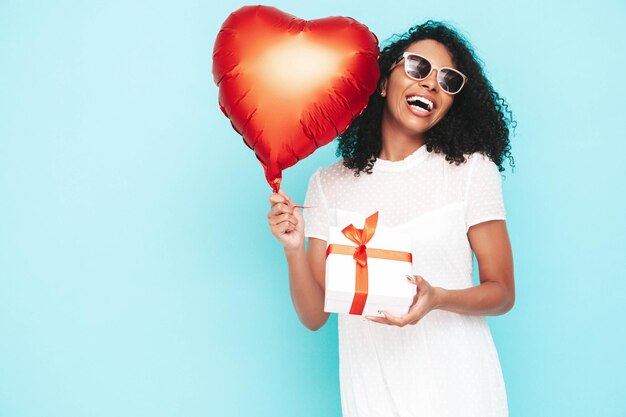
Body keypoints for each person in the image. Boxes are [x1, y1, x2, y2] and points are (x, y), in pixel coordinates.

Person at [268, 20, 515, 417]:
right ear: (384, 82)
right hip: (372, 391)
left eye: (448, 81)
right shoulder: (329, 184)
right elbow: (315, 316)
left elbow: (502, 292)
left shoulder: (471, 171)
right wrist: (294, 250)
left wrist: (438, 298)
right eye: (418, 68)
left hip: (460, 389)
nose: (431, 84)